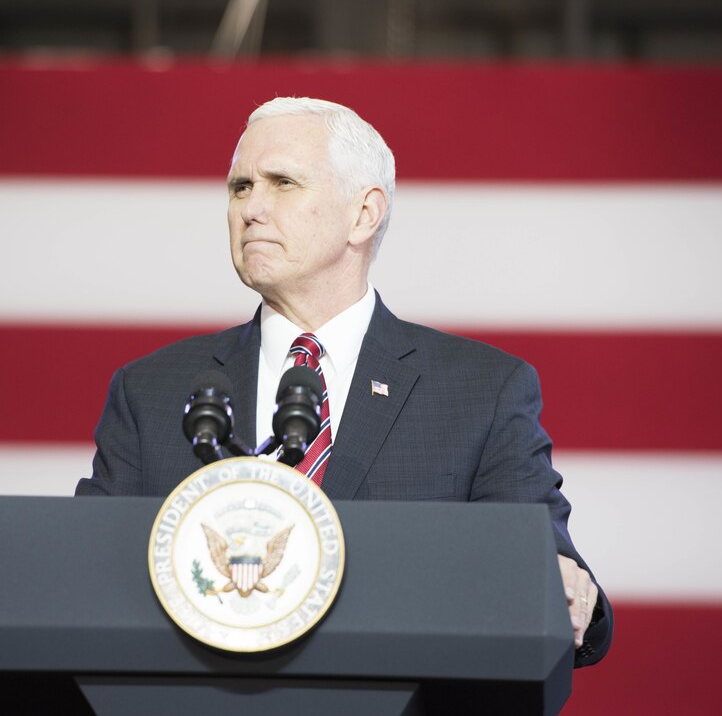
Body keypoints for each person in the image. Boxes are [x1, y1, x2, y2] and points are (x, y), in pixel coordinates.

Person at [76, 96, 612, 665]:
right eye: (240, 187)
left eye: (282, 183)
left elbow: (546, 567)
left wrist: (563, 587)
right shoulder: (152, 391)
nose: (251, 208)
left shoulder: (481, 392)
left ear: (364, 214)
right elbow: (80, 574)